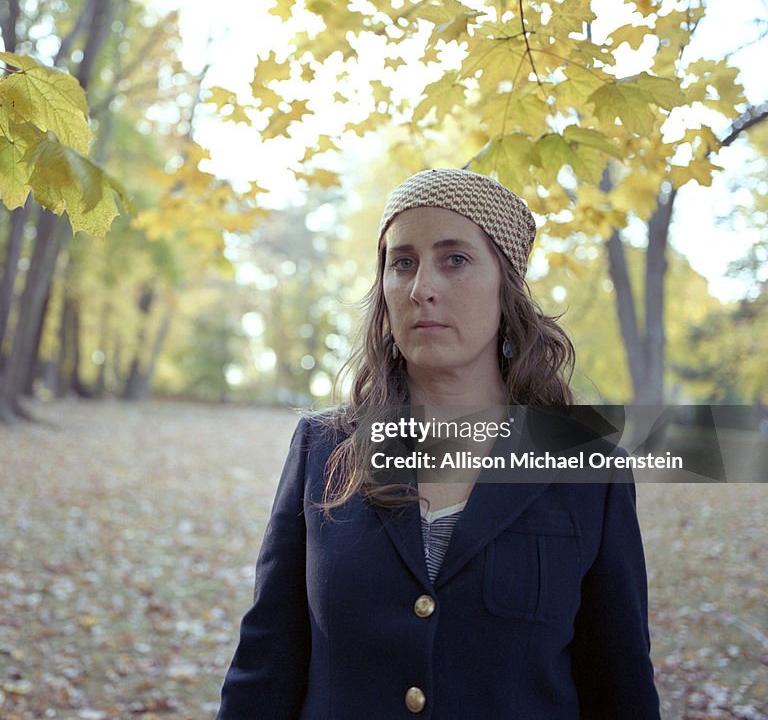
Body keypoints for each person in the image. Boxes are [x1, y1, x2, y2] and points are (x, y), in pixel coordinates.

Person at [217, 168, 661, 719]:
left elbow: (619, 686)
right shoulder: (323, 447)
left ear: (508, 286)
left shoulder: (586, 468)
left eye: (455, 259)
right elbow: (265, 667)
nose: (422, 287)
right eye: (402, 262)